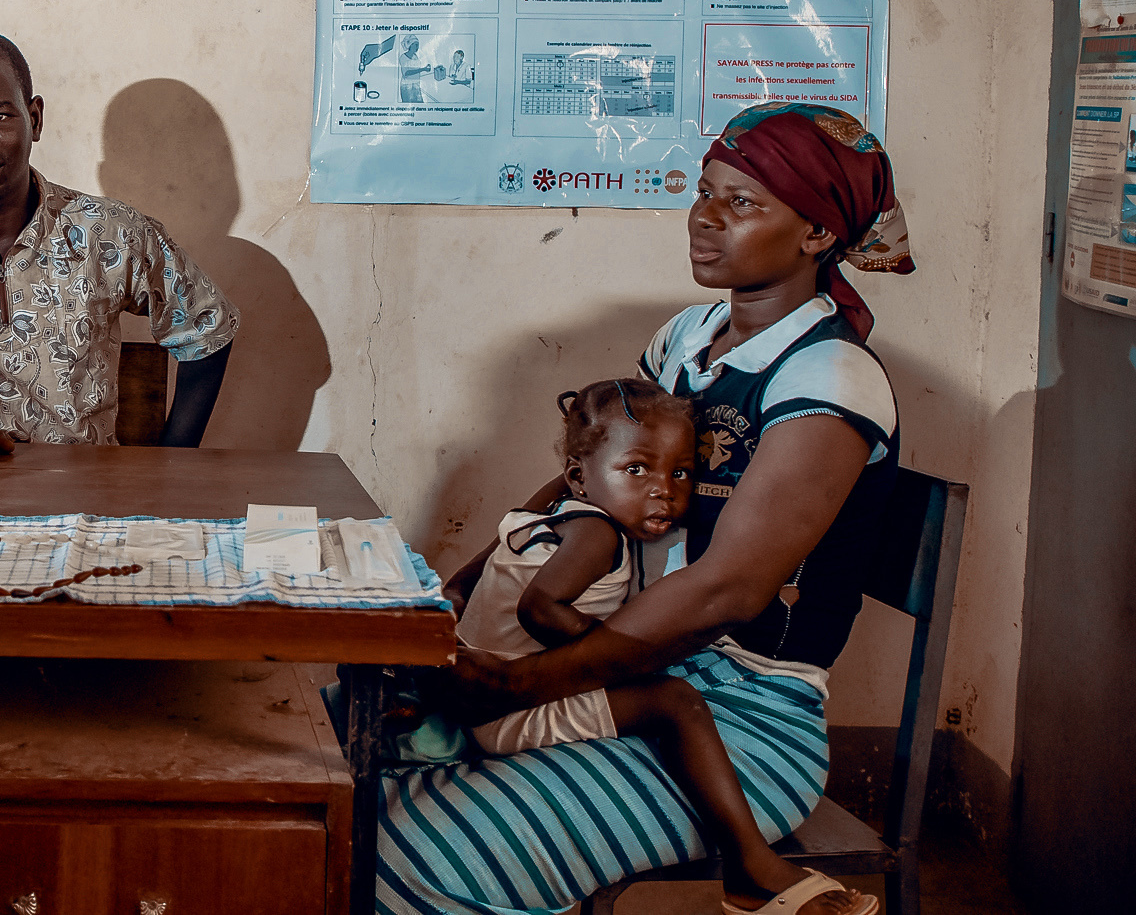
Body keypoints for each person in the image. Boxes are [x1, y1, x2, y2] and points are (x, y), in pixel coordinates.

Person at [375, 101, 915, 915]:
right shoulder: (687, 339)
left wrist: (524, 681)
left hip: (741, 721)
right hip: (630, 668)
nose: (703, 216)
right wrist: (454, 593)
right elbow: (587, 478)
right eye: (705, 191)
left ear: (815, 235)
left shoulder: (829, 376)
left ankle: (748, 870)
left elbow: (728, 589)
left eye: (742, 203)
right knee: (360, 771)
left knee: (424, 852)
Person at [456, 379, 876, 915]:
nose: (663, 490)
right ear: (580, 480)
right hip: (511, 709)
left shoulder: (559, 514)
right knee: (675, 702)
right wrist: (618, 659)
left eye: (679, 473)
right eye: (637, 470)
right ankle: (751, 866)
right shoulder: (597, 534)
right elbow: (539, 609)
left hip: (499, 696)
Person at [0, 30, 237, 464]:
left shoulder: (110, 232)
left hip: (82, 500)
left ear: (34, 118)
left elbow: (208, 328)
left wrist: (171, 466)